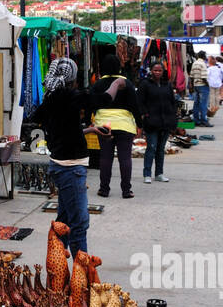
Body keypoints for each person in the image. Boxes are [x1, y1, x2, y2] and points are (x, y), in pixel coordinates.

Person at [29, 57, 94, 260]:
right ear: (72, 77)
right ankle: (80, 273)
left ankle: (56, 264)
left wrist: (90, 129)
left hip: (62, 165)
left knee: (65, 219)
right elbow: (101, 99)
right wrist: (118, 83)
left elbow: (60, 128)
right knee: (79, 222)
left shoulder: (53, 97)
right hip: (70, 167)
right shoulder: (67, 96)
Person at [88, 55, 143, 199]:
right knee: (125, 158)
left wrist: (90, 119)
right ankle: (126, 190)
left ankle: (104, 189)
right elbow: (135, 106)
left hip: (104, 125)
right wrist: (140, 124)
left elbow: (90, 103)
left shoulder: (98, 84)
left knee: (105, 158)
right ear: (119, 67)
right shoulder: (127, 83)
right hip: (124, 125)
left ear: (103, 68)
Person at [137, 60, 178, 183]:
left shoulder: (167, 85)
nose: (158, 72)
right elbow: (140, 102)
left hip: (165, 122)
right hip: (151, 122)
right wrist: (145, 115)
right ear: (151, 71)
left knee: (160, 149)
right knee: (152, 147)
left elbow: (172, 101)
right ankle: (147, 174)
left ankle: (159, 173)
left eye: (160, 70)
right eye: (155, 70)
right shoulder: (145, 84)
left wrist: (173, 116)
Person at [189, 52, 210, 126]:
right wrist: (208, 85)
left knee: (196, 103)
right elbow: (204, 77)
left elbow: (191, 76)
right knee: (203, 104)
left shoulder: (194, 63)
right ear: (203, 56)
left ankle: (196, 120)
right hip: (202, 85)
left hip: (196, 85)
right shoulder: (203, 64)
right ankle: (204, 121)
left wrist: (191, 85)